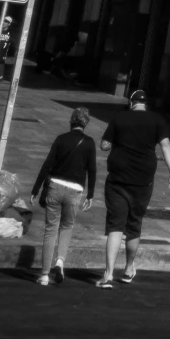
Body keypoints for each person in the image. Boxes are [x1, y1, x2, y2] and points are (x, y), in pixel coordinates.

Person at [98, 86, 170, 288]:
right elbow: (166, 145)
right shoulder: (157, 120)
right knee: (133, 225)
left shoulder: (119, 118)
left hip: (118, 179)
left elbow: (104, 145)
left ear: (131, 103)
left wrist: (118, 143)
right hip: (143, 181)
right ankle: (129, 268)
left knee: (115, 225)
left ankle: (107, 274)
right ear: (145, 103)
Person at [31, 105, 98, 286]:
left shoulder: (61, 139)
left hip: (55, 187)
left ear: (71, 121)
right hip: (75, 190)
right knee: (67, 226)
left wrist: (35, 189)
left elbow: (47, 165)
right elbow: (92, 170)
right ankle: (60, 261)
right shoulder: (90, 143)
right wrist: (90, 194)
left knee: (50, 229)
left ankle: (44, 275)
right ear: (86, 124)